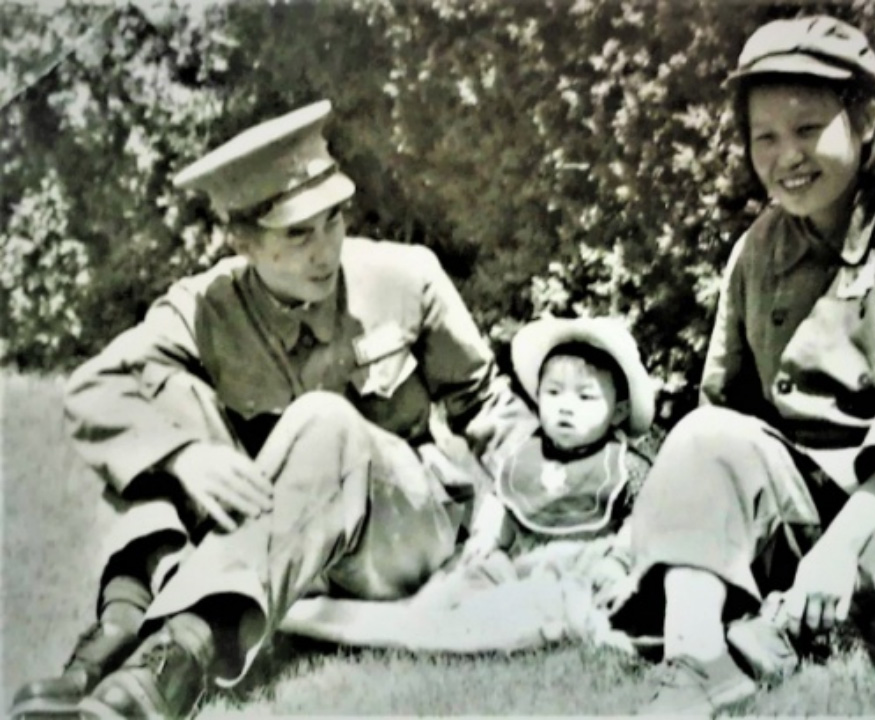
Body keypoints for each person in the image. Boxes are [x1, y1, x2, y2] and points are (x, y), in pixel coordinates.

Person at [9, 99, 531, 719]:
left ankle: (178, 660)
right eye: (297, 234)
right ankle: (115, 637)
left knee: (324, 420)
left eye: (333, 220)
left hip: (399, 532)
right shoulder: (207, 306)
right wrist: (183, 457)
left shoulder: (406, 278)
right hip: (281, 546)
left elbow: (487, 404)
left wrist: (556, 495)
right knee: (161, 409)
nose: (324, 251)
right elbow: (94, 388)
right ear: (244, 241)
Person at [620, 15, 875, 716]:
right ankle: (692, 658)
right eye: (764, 137)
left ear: (865, 119)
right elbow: (726, 415)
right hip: (809, 504)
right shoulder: (755, 252)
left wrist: (845, 548)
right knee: (702, 435)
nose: (787, 156)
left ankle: (790, 631)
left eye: (807, 128)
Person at [277, 316, 656, 654]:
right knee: (452, 590)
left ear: (619, 411)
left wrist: (619, 560)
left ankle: (418, 628)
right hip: (517, 563)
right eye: (553, 393)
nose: (566, 406)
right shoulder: (526, 454)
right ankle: (382, 619)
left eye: (585, 396)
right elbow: (501, 501)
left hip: (582, 563)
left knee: (540, 606)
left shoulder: (624, 465)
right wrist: (487, 537)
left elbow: (643, 520)